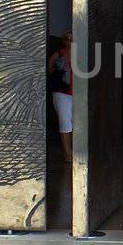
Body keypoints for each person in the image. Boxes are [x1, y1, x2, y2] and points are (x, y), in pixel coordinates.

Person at [48, 30, 74, 164]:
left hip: (78, 93)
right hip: (61, 92)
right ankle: (68, 153)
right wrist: (58, 72)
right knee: (65, 122)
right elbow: (49, 68)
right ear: (63, 40)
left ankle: (75, 151)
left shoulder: (82, 53)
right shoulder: (58, 54)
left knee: (77, 122)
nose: (70, 41)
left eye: (72, 38)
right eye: (67, 38)